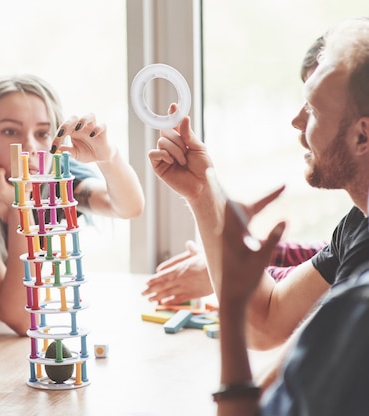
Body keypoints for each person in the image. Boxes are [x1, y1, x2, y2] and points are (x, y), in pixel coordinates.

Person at [148, 16, 369, 353]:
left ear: (362, 135)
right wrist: (201, 191)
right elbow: (266, 320)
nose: (296, 121)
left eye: (313, 108)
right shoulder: (357, 226)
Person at [0, 74, 145, 335]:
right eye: (10, 131)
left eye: (43, 133)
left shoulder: (52, 176)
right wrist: (21, 204)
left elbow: (128, 208)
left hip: (7, 347)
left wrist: (108, 156)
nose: (29, 146)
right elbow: (22, 318)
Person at [143, 35, 327, 307]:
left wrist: (224, 268)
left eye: (317, 103)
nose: (297, 120)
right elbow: (325, 260)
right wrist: (226, 255)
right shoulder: (358, 224)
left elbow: (284, 311)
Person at [212, 183, 369, 415]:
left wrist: (232, 303)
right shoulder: (358, 222)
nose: (304, 143)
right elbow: (270, 315)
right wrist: (200, 193)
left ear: (362, 143)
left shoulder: (357, 303)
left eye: (312, 141)